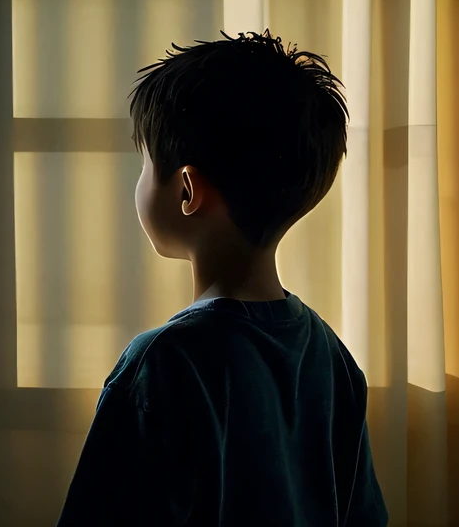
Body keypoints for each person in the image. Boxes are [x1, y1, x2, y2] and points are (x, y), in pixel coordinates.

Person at [57, 31, 387, 526]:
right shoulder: (329, 355)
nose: (141, 180)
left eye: (146, 164)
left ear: (187, 189)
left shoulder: (163, 364)